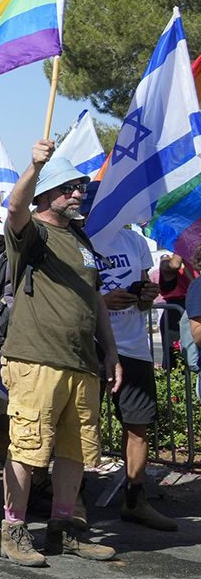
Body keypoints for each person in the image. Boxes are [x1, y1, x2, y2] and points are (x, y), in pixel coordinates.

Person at [0, 139, 118, 566]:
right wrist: (32, 166)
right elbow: (14, 211)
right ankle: (13, 532)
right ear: (46, 193)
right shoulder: (33, 235)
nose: (79, 193)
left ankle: (63, 530)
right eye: (69, 187)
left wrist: (112, 352)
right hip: (36, 359)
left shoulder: (81, 238)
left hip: (81, 362)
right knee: (28, 447)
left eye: (80, 186)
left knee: (75, 450)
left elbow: (94, 297)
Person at [92, 222, 176, 531]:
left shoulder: (135, 241)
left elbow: (143, 300)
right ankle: (70, 503)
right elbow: (69, 301)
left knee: (137, 425)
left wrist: (146, 294)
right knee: (81, 423)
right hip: (93, 345)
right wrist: (102, 303)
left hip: (135, 347)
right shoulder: (81, 240)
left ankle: (135, 500)